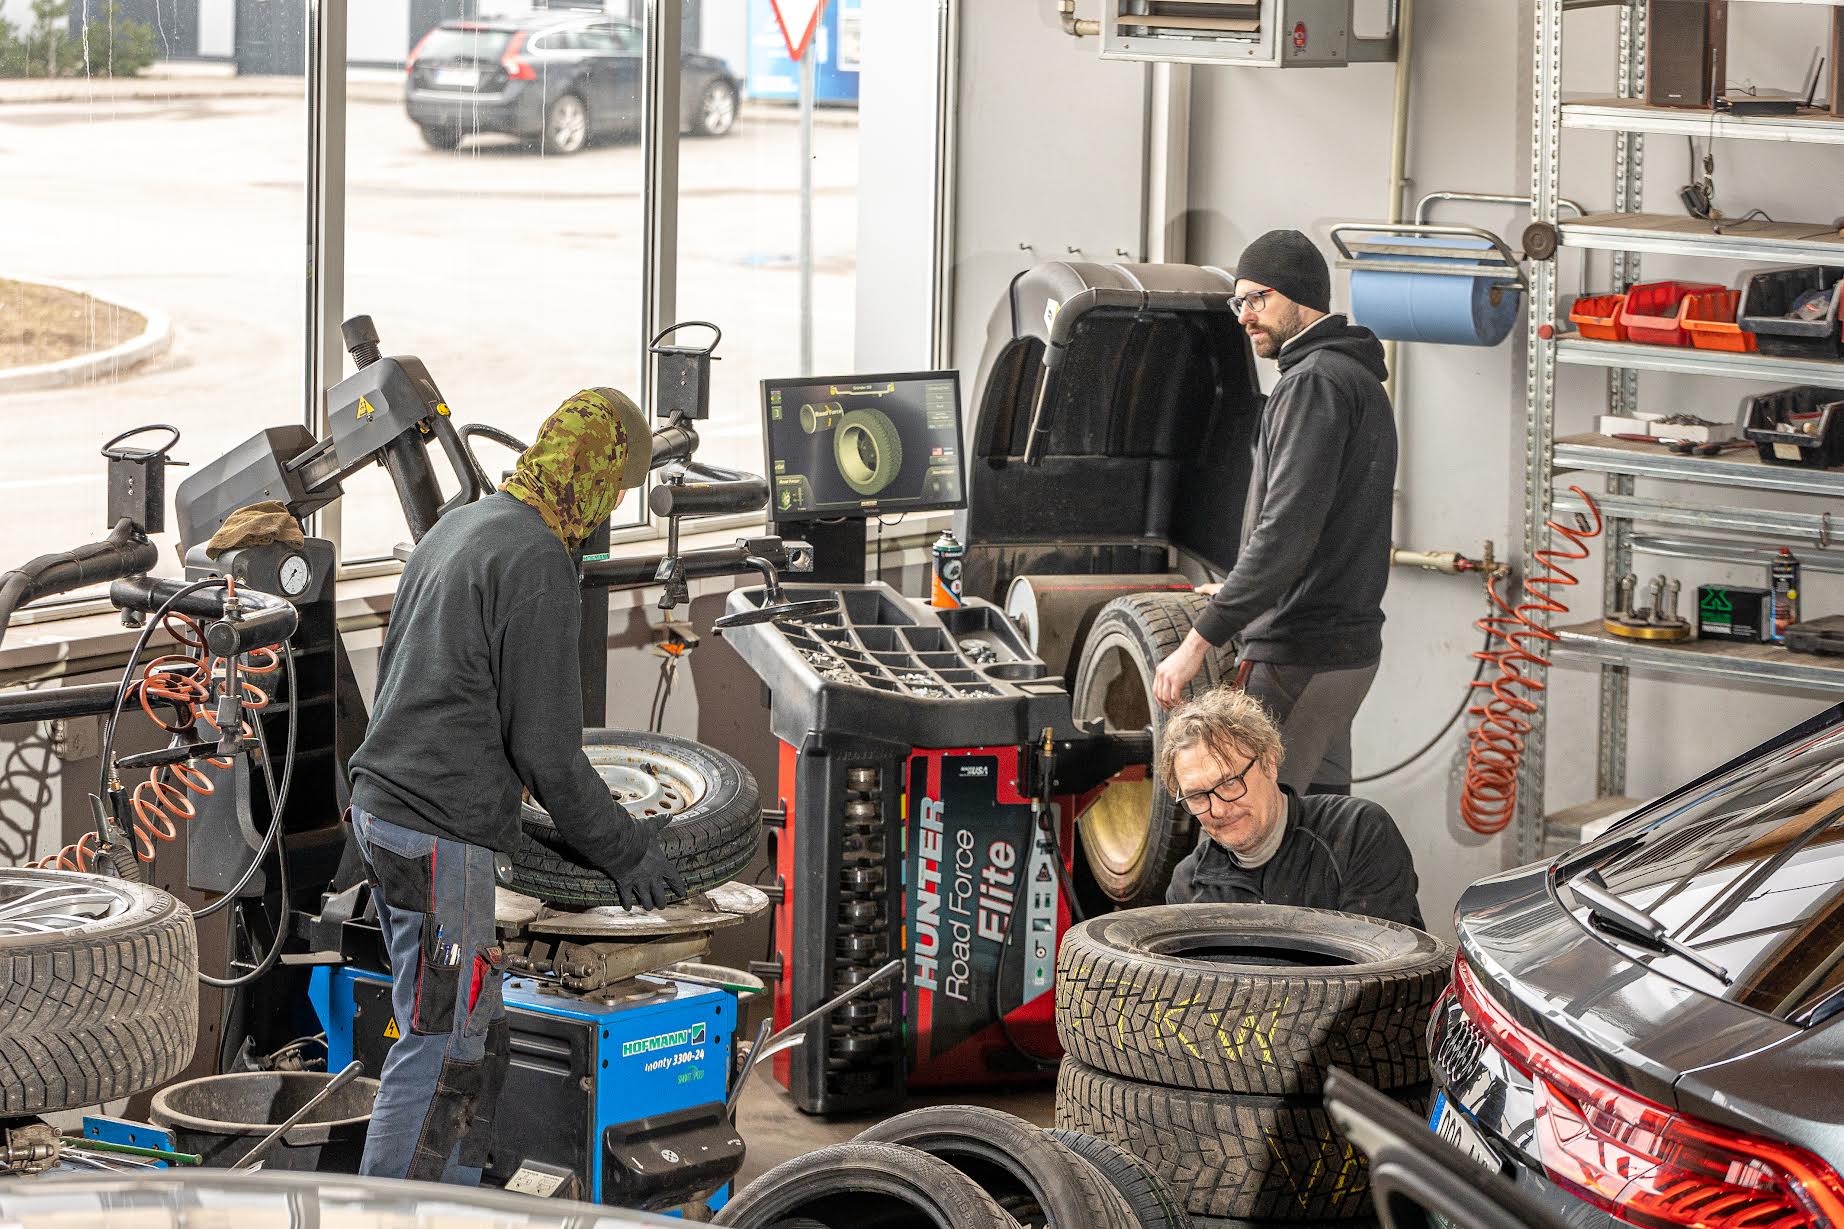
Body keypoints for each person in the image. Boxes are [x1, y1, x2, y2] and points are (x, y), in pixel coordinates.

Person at [345, 387, 686, 1185]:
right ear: (598, 479)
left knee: (467, 1033)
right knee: (440, 1047)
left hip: (384, 811)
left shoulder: (459, 525)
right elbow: (551, 754)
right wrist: (626, 850)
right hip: (436, 836)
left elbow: (447, 686)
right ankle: (384, 1214)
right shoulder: (536, 559)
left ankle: (458, 1203)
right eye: (620, 492)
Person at [1151, 229, 1397, 796]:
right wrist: (1241, 591)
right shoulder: (1355, 379)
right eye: (1238, 303)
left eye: (1256, 299)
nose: (1243, 316)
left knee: (1243, 819)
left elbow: (1284, 534)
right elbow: (1319, 526)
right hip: (1342, 654)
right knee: (1317, 826)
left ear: (1300, 295)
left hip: (1298, 654)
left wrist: (1197, 644)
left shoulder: (1312, 384)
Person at [1161, 686, 1422, 928]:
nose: (1217, 809)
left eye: (1230, 783)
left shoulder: (1356, 834)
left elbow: (1377, 971)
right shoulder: (1188, 887)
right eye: (1197, 796)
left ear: (1269, 763)